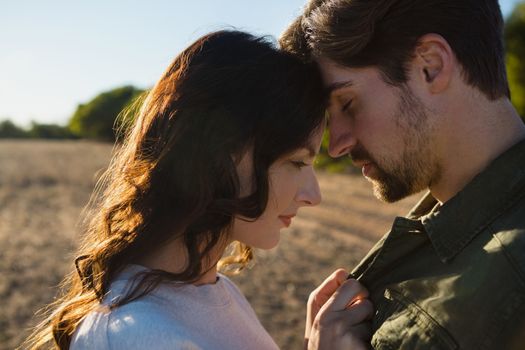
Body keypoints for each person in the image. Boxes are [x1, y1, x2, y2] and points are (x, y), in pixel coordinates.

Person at [24, 30, 373, 350]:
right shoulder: (136, 336)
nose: (314, 195)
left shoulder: (214, 292)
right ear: (220, 155)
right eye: (297, 162)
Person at [281, 0, 525, 348]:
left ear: (431, 65)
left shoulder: (508, 275)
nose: (336, 145)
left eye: (347, 104)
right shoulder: (450, 226)